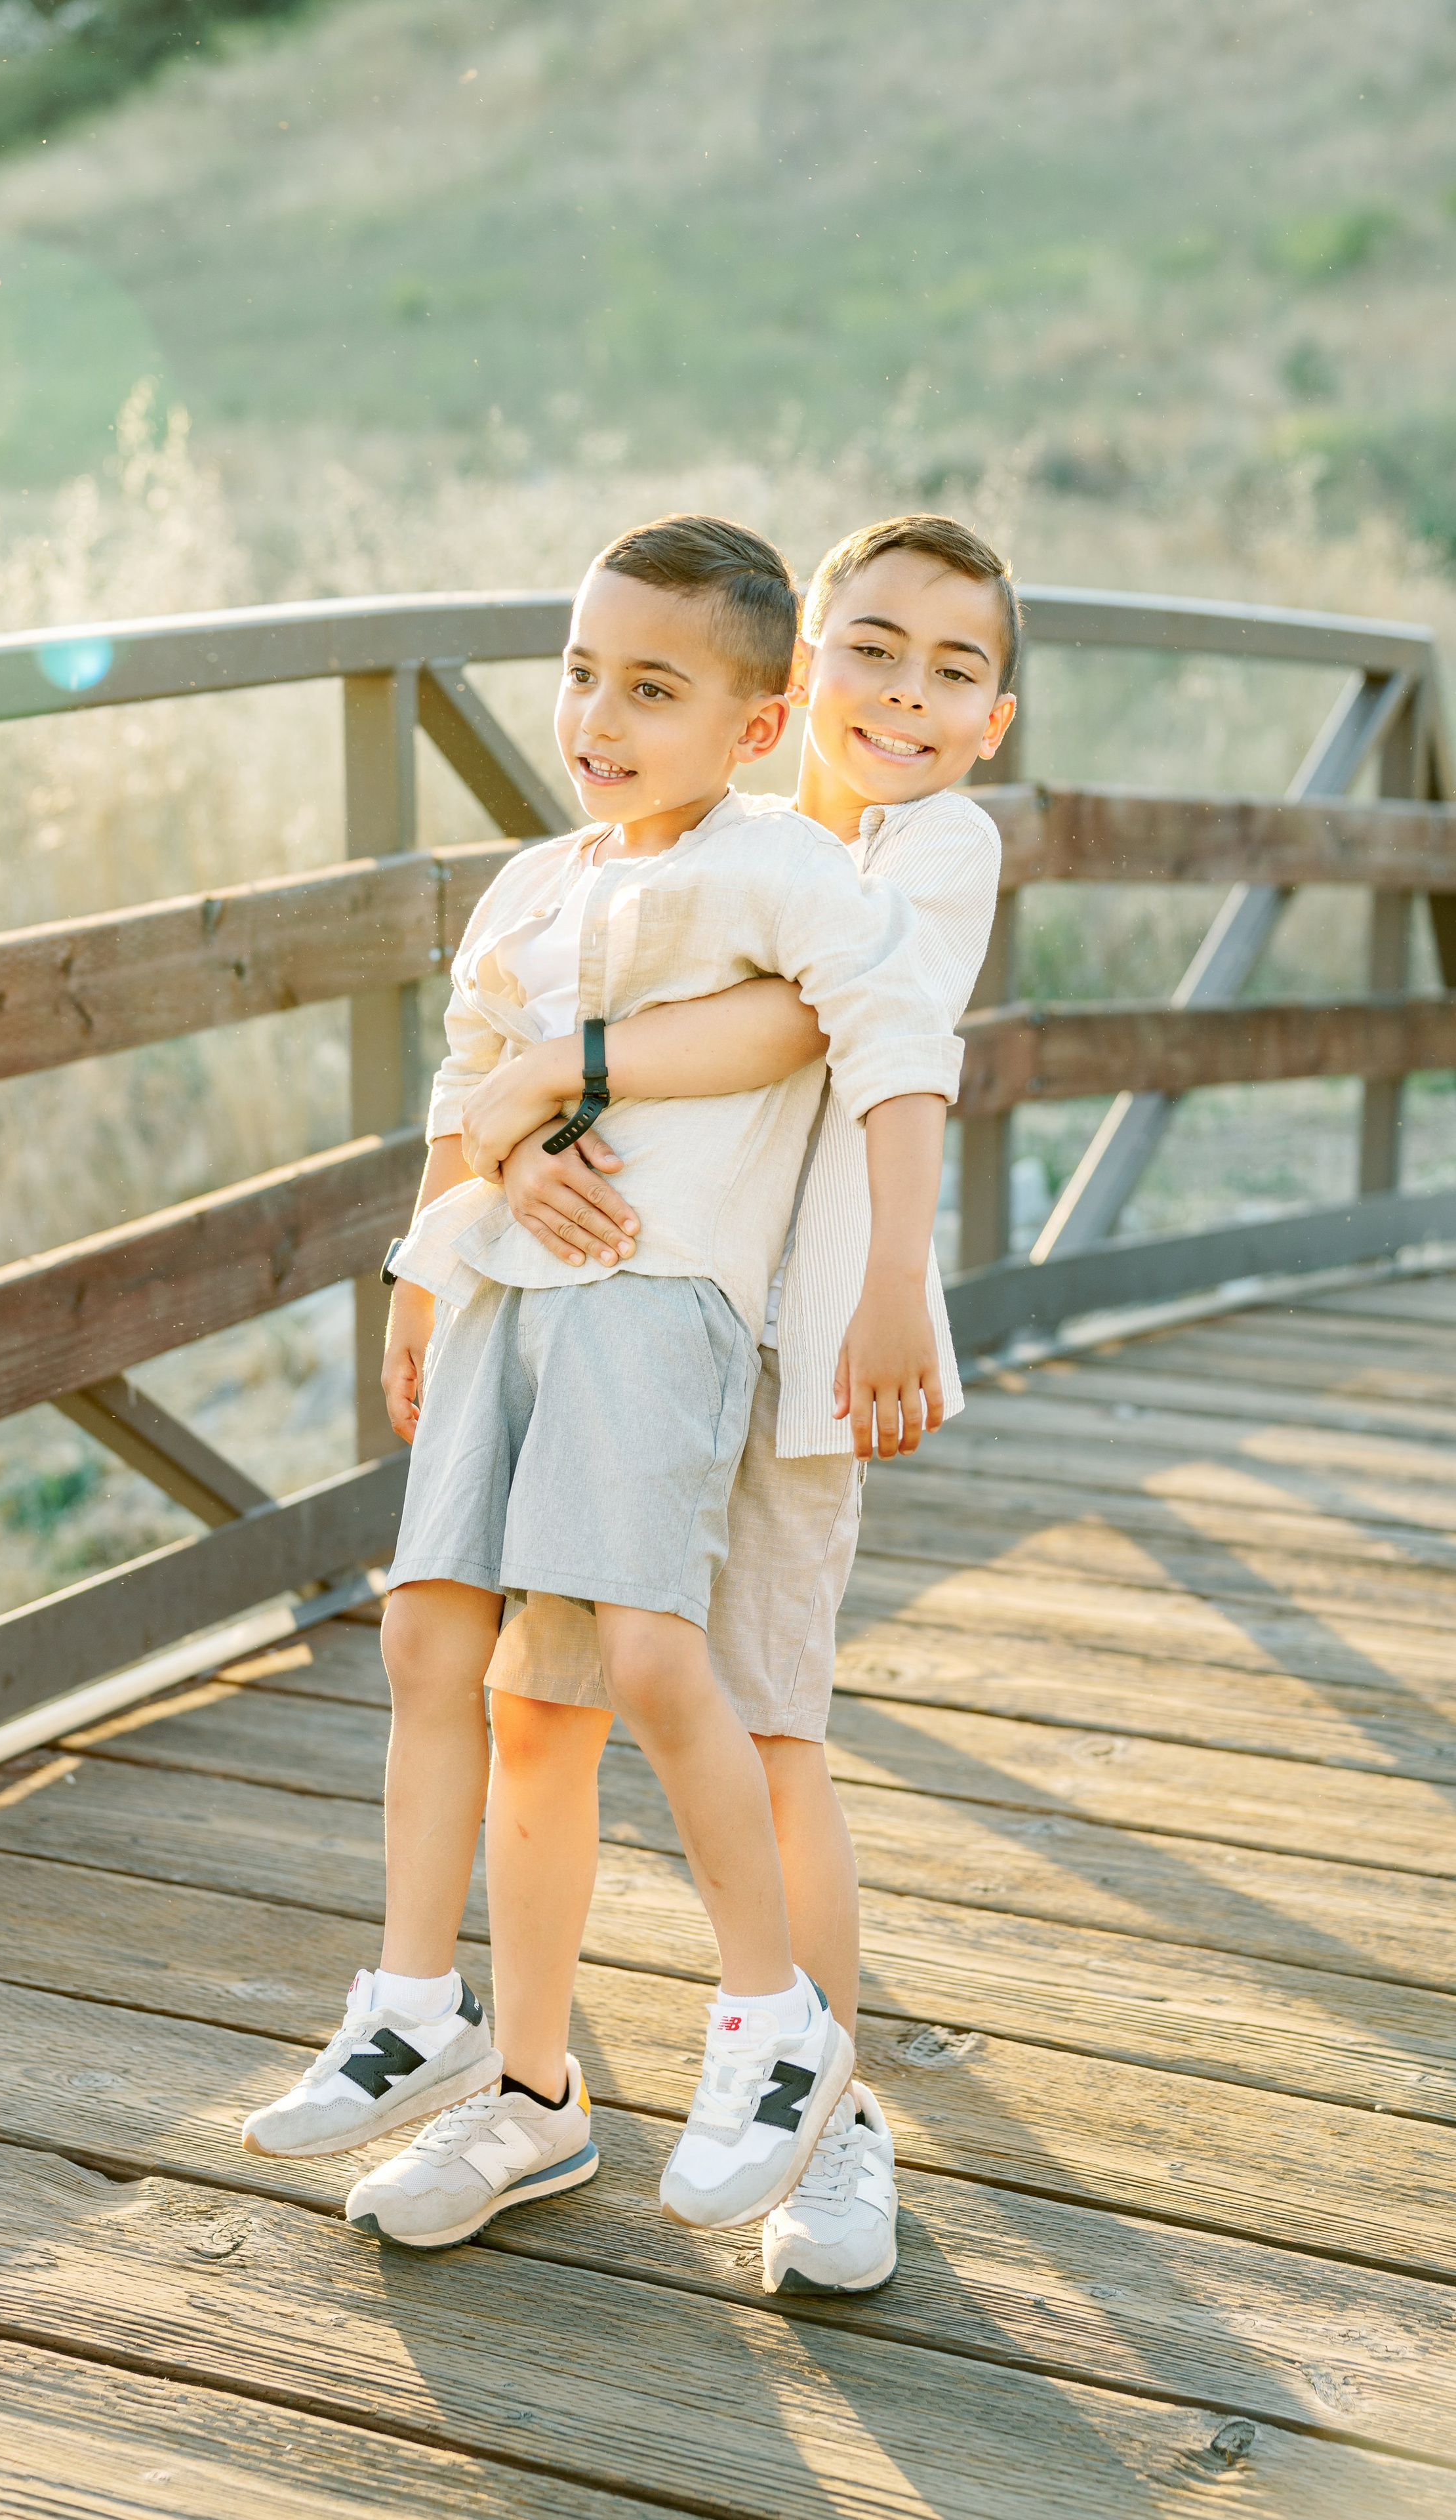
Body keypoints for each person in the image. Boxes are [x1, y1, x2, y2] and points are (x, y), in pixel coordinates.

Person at [243, 514, 968, 2243]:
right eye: (580, 675)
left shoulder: (783, 869)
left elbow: (879, 1035)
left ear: (757, 717)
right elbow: (465, 1095)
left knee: (654, 1656)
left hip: (669, 1306)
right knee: (448, 1644)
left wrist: (893, 1284)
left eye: (652, 687)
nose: (600, 715)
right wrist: (428, 1264)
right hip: (511, 1304)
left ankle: (777, 2023)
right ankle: (438, 2015)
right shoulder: (531, 887)